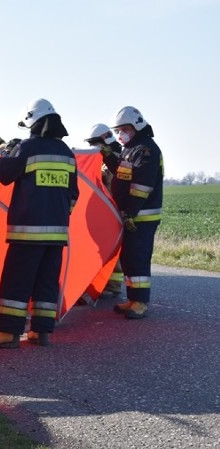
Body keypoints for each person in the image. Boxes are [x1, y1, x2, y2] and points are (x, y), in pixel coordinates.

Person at [0, 98, 79, 348]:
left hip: (27, 233)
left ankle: (8, 333)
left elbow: (2, 175)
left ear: (32, 122)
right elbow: (73, 195)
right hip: (57, 234)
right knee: (47, 281)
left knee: (17, 280)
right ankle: (41, 332)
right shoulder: (66, 152)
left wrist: (7, 151)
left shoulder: (27, 148)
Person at [103, 106, 163, 319]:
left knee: (138, 257)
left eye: (124, 129)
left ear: (137, 127)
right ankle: (132, 298)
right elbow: (121, 173)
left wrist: (129, 212)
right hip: (132, 215)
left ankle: (140, 302)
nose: (120, 134)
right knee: (129, 258)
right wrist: (106, 155)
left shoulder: (146, 150)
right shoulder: (132, 148)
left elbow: (142, 186)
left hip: (142, 216)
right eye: (118, 130)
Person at [85, 123, 124, 297]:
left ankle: (113, 285)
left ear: (105, 139)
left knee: (113, 249)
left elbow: (110, 180)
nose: (93, 147)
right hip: (106, 211)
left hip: (114, 210)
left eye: (95, 142)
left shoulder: (116, 158)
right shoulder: (107, 156)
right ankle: (107, 283)